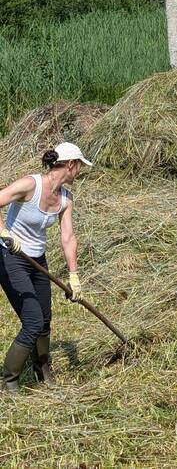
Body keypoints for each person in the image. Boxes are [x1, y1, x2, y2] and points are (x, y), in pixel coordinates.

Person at [0, 142, 92, 393]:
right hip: (11, 257)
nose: (80, 171)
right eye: (80, 166)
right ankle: (9, 383)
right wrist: (4, 232)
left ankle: (42, 372)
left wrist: (74, 276)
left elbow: (68, 237)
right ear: (70, 164)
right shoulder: (31, 185)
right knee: (33, 321)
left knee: (45, 320)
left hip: (37, 261)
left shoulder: (66, 198)